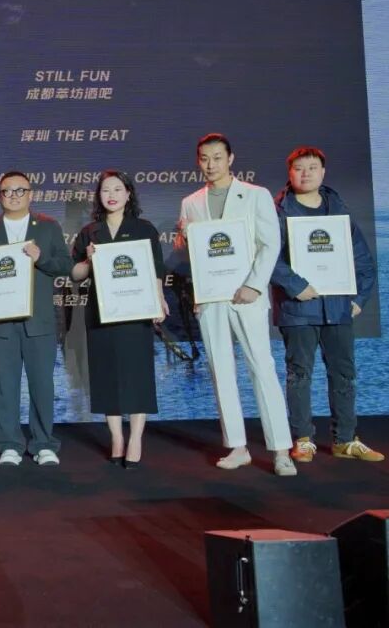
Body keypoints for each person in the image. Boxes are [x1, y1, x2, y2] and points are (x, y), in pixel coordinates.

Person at [176, 133, 296, 476]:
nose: (210, 164)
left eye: (217, 157)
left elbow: (269, 244)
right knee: (221, 371)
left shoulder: (256, 195)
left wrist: (254, 285)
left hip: (247, 296)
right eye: (204, 158)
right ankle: (238, 446)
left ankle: (280, 450)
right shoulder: (191, 202)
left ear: (230, 159)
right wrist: (184, 240)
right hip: (211, 298)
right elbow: (195, 254)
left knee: (262, 367)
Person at [270, 146, 382, 463]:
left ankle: (345, 440)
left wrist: (358, 300)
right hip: (297, 310)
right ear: (289, 173)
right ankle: (303, 439)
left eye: (312, 167)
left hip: (337, 309)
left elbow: (363, 262)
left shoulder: (338, 211)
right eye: (299, 168)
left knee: (344, 374)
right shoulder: (277, 213)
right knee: (299, 375)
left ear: (323, 172)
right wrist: (297, 286)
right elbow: (268, 258)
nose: (305, 173)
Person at [0, 171, 73, 467]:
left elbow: (65, 265)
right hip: (0, 322)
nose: (13, 196)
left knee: (42, 385)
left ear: (31, 194)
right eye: (7, 191)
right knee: (3, 385)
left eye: (20, 190)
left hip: (39, 321)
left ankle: (43, 444)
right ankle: (9, 444)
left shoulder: (48, 226)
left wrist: (42, 259)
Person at [70, 170, 168, 470]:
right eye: (105, 190)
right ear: (98, 196)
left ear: (128, 194)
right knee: (106, 375)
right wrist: (87, 260)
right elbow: (75, 274)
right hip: (101, 313)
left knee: (138, 375)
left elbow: (156, 270)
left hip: (136, 312)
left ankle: (136, 438)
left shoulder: (144, 229)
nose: (111, 195)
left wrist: (159, 300)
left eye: (117, 189)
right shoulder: (90, 231)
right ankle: (116, 438)